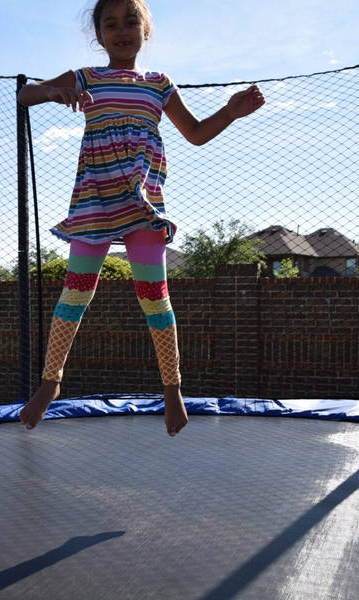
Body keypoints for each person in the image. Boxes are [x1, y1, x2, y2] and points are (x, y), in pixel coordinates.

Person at [17, 0, 264, 436]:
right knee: (75, 295)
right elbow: (24, 94)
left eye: (131, 21)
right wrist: (54, 91)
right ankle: (50, 384)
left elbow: (196, 133)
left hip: (142, 204)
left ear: (145, 31)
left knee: (155, 297)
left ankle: (172, 389)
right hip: (94, 200)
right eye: (110, 25)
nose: (121, 30)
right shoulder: (85, 77)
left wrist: (230, 111)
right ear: (99, 37)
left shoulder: (159, 85)